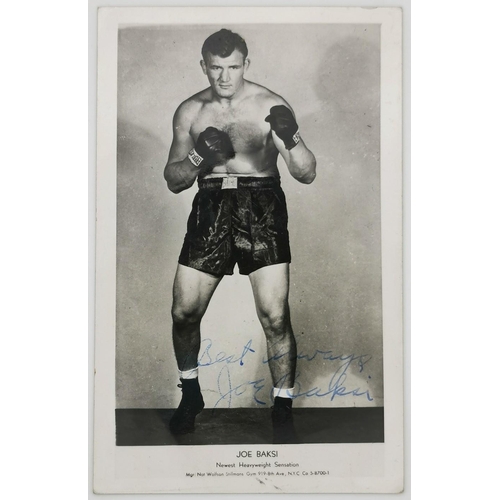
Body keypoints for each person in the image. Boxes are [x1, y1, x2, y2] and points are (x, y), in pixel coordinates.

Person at [164, 29, 316, 439]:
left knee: (274, 315)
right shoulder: (190, 112)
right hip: (211, 203)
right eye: (216, 68)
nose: (225, 77)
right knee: (183, 312)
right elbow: (174, 180)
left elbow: (305, 172)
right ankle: (191, 393)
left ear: (246, 64)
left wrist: (291, 135)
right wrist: (199, 156)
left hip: (261, 204)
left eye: (233, 67)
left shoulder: (270, 104)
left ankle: (282, 406)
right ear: (204, 67)